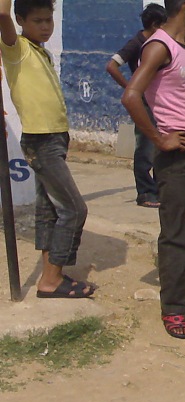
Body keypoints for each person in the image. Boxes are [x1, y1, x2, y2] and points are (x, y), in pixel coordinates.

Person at [121, 0, 185, 340]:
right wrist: (159, 139)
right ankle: (174, 308)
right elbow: (132, 95)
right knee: (177, 233)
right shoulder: (159, 46)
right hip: (176, 155)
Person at [0, 0, 93, 299]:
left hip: (54, 138)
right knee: (75, 209)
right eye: (37, 21)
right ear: (20, 20)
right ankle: (51, 281)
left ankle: (50, 275)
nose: (44, 26)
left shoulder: (41, 51)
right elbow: (1, 13)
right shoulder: (17, 49)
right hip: (41, 141)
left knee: (49, 211)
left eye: (48, 20)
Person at [105, 3, 166, 209]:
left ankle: (159, 188)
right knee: (145, 148)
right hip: (143, 104)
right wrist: (130, 88)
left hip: (157, 102)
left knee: (159, 146)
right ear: (155, 25)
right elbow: (111, 65)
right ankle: (146, 192)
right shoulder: (137, 43)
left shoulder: (157, 43)